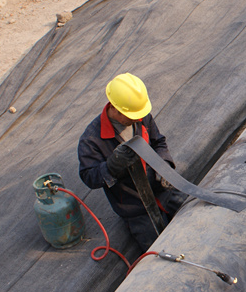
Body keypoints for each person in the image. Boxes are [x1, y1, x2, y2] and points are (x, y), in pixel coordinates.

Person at [78, 73, 186, 251]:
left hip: (162, 190)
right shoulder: (92, 140)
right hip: (135, 207)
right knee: (160, 251)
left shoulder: (141, 116)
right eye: (132, 116)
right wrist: (111, 166)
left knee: (195, 218)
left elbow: (159, 142)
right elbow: (89, 176)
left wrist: (164, 166)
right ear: (115, 108)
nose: (137, 119)